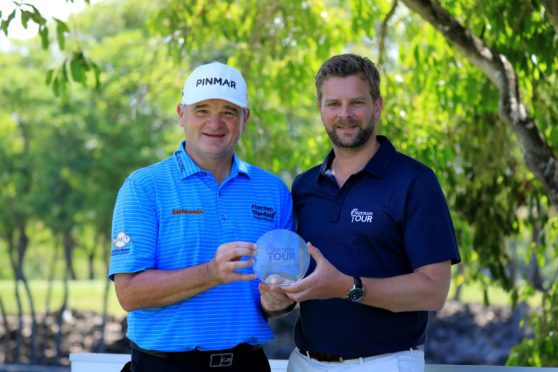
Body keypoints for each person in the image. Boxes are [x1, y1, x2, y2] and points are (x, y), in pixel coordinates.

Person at [108, 61, 295, 372]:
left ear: (245, 119)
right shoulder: (144, 187)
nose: (215, 122)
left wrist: (279, 301)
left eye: (228, 112)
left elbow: (278, 295)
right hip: (165, 367)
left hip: (247, 365)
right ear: (182, 114)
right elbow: (128, 293)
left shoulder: (273, 191)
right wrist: (211, 272)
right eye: (203, 110)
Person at [280, 53, 461, 371]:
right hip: (305, 361)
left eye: (357, 103)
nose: (344, 114)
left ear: (377, 106)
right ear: (321, 109)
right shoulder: (304, 186)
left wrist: (347, 287)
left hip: (383, 362)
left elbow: (434, 290)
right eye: (333, 103)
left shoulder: (415, 181)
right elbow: (296, 275)